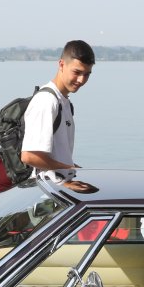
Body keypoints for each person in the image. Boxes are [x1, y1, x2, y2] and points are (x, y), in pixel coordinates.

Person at [21, 40, 95, 181]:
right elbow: (29, 156)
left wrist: (74, 170)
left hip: (61, 186)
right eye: (77, 72)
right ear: (61, 64)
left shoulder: (64, 101)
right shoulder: (47, 101)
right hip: (46, 189)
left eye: (87, 74)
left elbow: (59, 156)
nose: (81, 80)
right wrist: (69, 169)